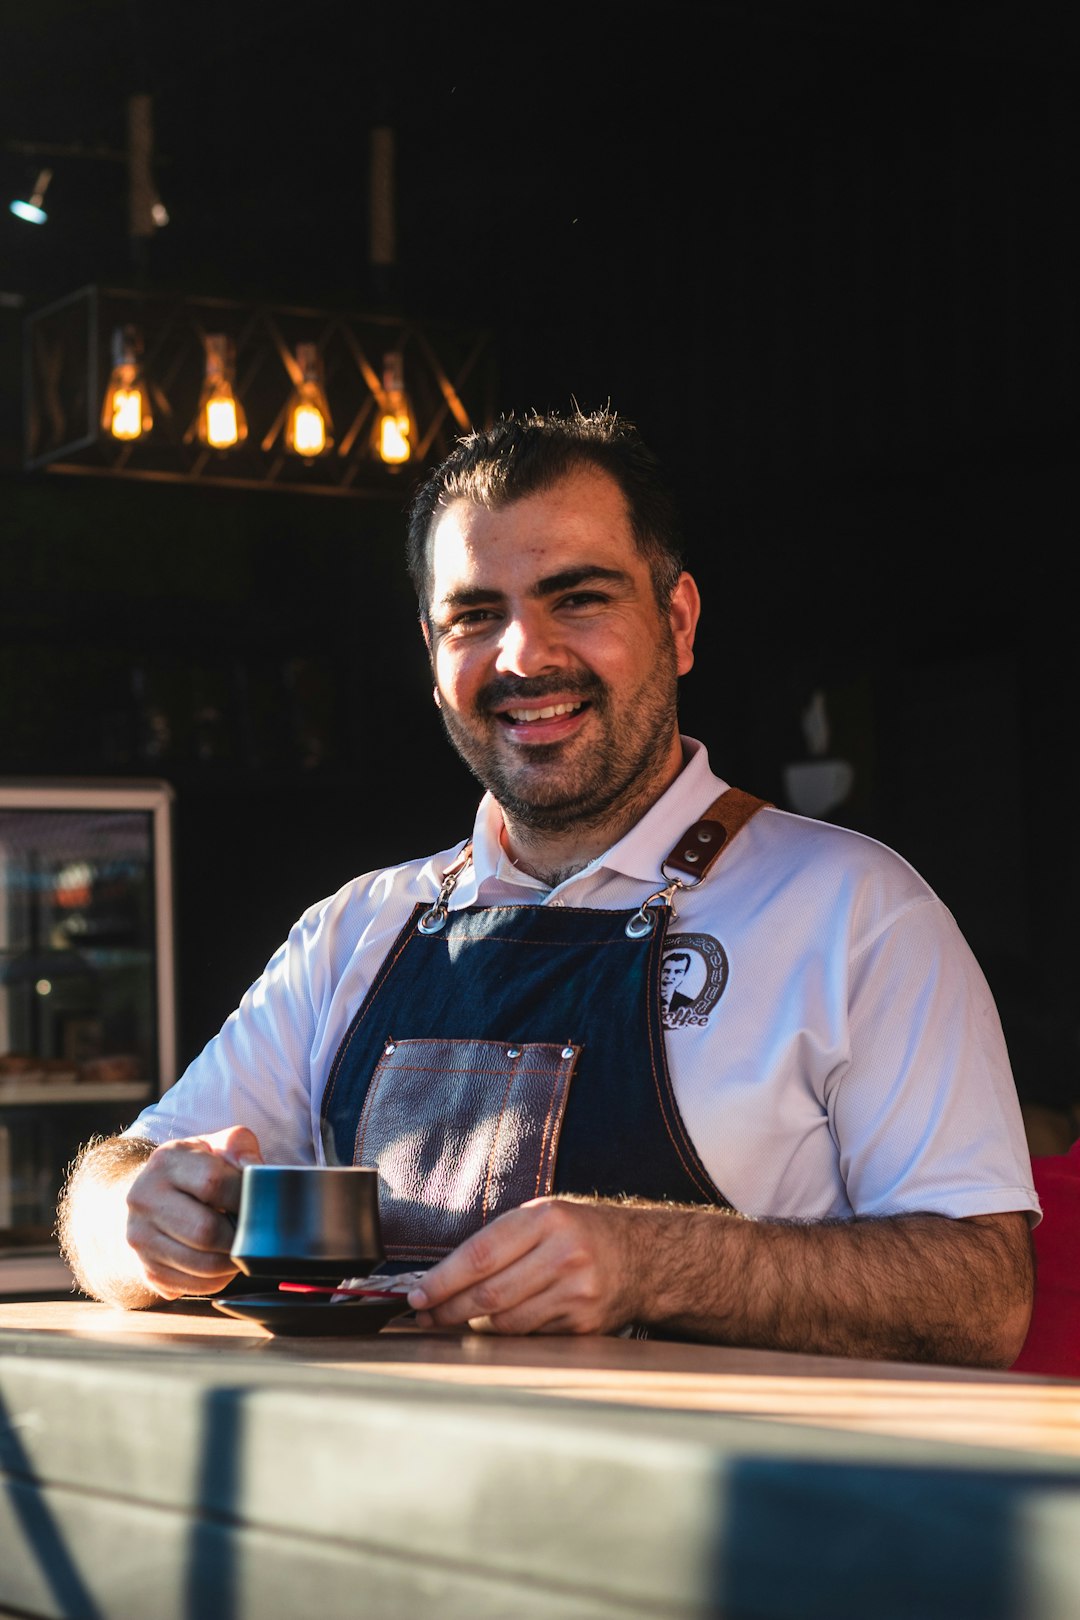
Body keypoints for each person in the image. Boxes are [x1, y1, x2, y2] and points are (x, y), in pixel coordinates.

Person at [57, 406, 1038, 1366]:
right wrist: (134, 1219)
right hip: (380, 1472)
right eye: (475, 615)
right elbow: (114, 1187)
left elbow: (984, 1298)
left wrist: (657, 1262)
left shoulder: (856, 911)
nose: (524, 655)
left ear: (678, 622)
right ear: (433, 657)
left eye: (579, 598)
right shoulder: (355, 929)